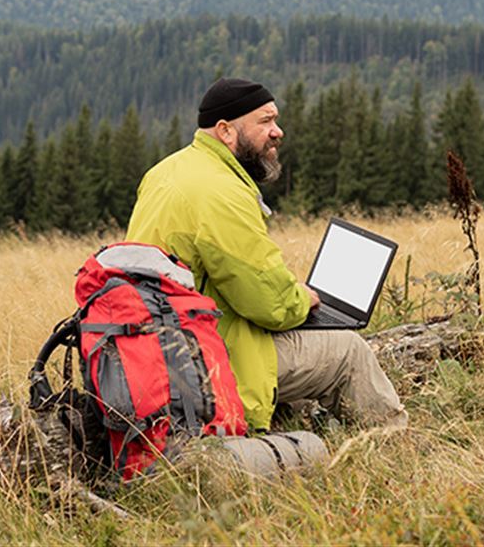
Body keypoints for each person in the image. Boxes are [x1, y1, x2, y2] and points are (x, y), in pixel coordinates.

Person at [125, 77, 406, 433]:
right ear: (226, 131)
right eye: (265, 121)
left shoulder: (167, 170)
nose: (278, 132)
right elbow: (267, 303)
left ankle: (297, 434)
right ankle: (394, 447)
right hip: (210, 358)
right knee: (349, 350)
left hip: (161, 347)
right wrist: (301, 300)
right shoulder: (220, 192)